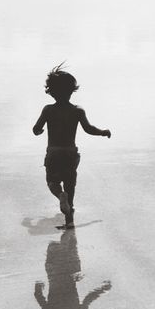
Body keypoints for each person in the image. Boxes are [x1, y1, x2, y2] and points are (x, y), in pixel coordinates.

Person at [33, 64, 111, 228]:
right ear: (72, 90)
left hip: (53, 153)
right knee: (70, 184)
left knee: (52, 182)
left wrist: (39, 131)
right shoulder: (77, 111)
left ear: (51, 92)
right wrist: (103, 132)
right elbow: (89, 129)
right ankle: (69, 221)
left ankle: (60, 195)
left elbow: (36, 129)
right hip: (70, 153)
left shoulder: (48, 110)